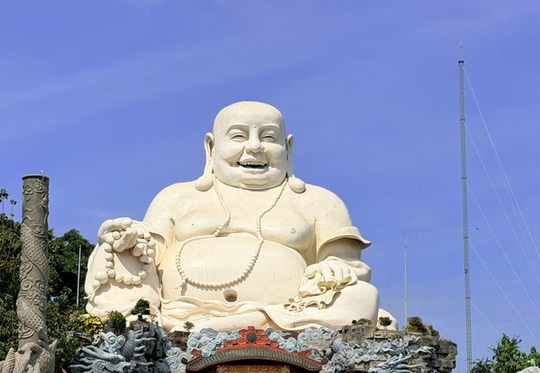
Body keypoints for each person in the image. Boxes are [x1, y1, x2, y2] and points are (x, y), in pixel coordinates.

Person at [85, 101, 394, 332]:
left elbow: (351, 268)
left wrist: (331, 269)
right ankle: (217, 325)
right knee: (110, 254)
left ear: (288, 148)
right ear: (211, 147)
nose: (255, 147)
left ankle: (228, 325)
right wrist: (126, 240)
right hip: (181, 312)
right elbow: (145, 257)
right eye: (239, 136)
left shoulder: (320, 201)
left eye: (269, 137)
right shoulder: (175, 197)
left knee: (361, 298)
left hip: (291, 315)